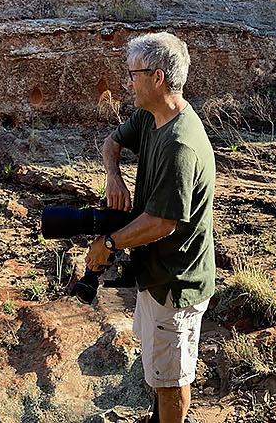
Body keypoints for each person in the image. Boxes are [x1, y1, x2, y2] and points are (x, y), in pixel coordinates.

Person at [89, 32, 217, 423]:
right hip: (156, 274)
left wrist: (109, 243)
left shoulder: (180, 144)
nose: (127, 82)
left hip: (175, 283)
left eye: (133, 75)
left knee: (171, 380)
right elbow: (111, 143)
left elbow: (162, 223)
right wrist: (114, 178)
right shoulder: (151, 116)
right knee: (161, 370)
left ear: (157, 77)